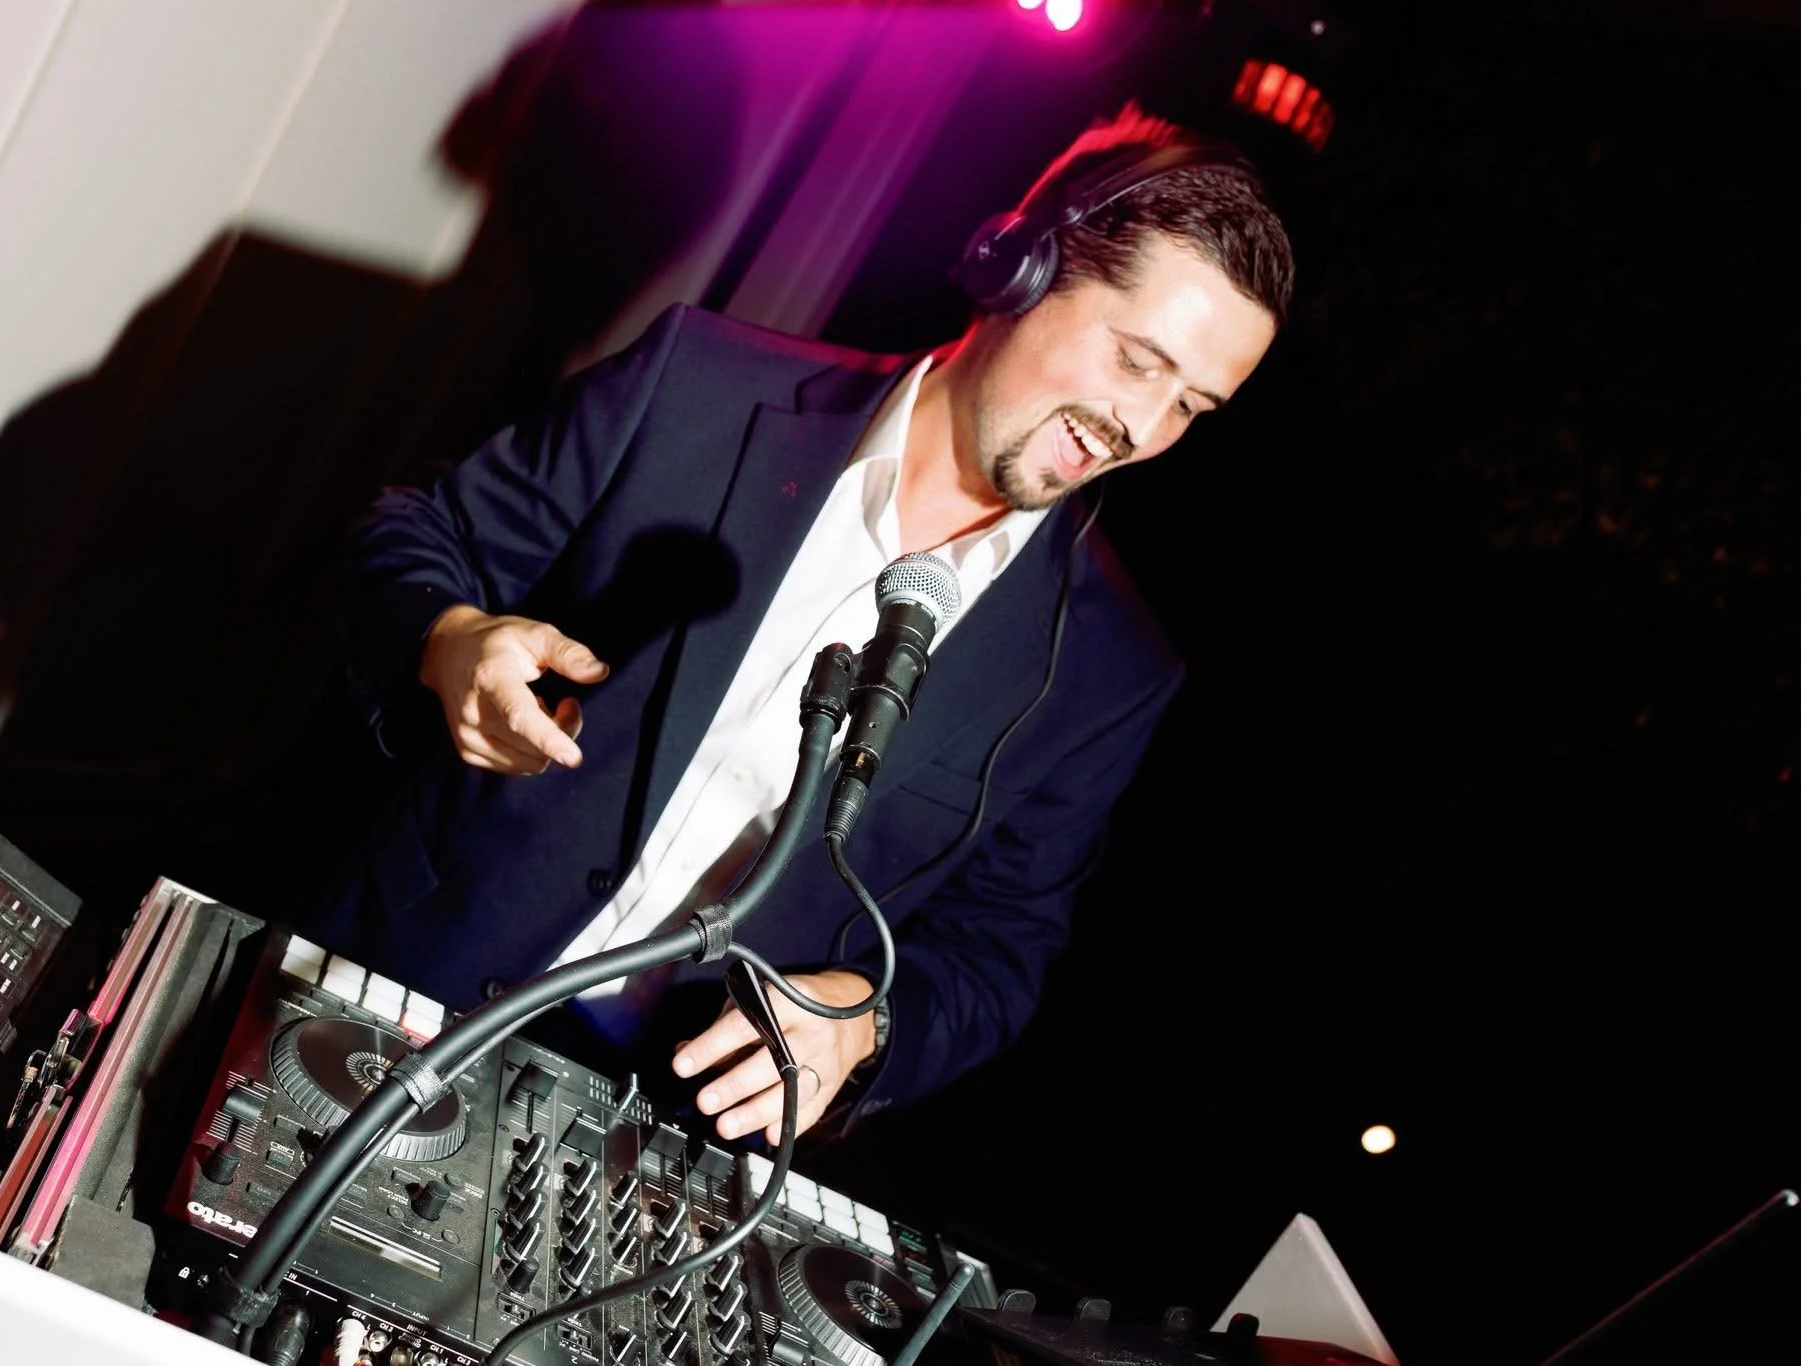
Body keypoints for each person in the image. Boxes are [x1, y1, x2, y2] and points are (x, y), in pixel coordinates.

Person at [306, 105, 1294, 1147]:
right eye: (1137, 362)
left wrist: (865, 1023)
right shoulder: (694, 383)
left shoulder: (1108, 668)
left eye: (1191, 407)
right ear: (1022, 269)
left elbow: (997, 950)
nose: (1139, 432)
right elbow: (422, 532)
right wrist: (450, 634)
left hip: (663, 1126)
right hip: (403, 971)